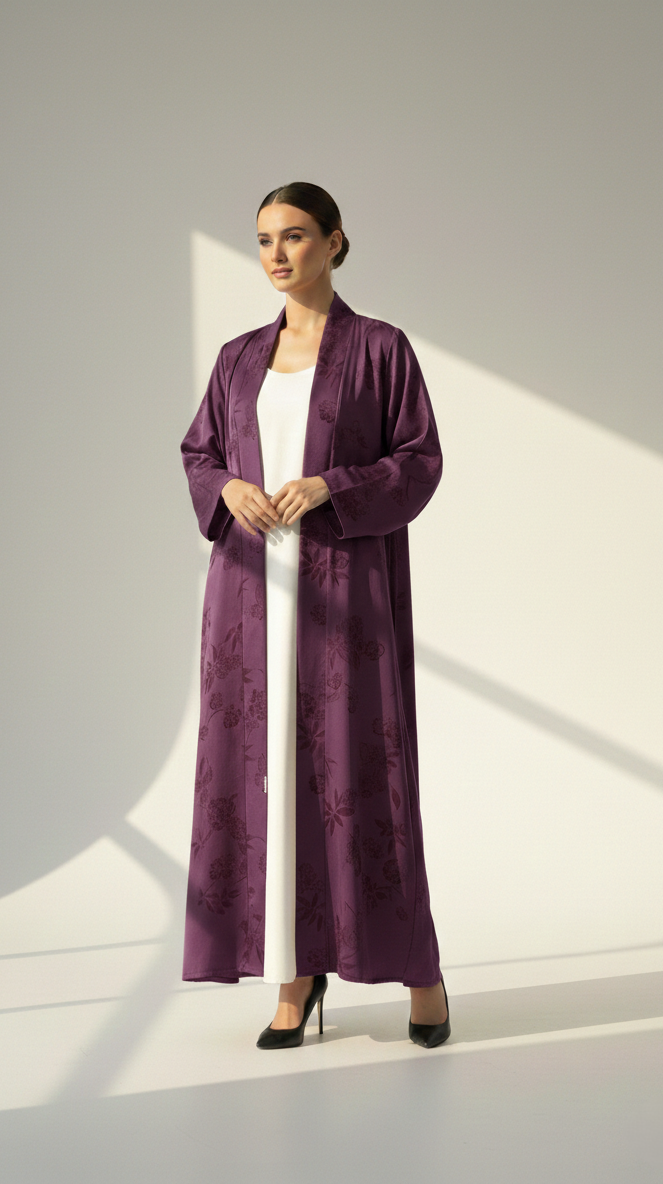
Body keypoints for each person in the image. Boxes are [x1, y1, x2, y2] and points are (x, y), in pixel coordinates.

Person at [180, 182, 450, 1050]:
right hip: (249, 594)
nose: (277, 254)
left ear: (335, 242)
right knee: (264, 781)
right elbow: (199, 451)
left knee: (362, 776)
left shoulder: (380, 349)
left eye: (295, 236)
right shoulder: (238, 358)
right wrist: (228, 487)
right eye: (265, 239)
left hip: (345, 594)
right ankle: (293, 978)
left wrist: (333, 485)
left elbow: (420, 459)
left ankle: (419, 970)